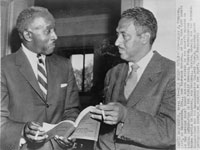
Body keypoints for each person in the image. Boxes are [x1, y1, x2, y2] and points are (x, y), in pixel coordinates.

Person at [90, 7, 175, 150]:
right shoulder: (113, 73)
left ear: (144, 38)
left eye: (124, 35)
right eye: (117, 35)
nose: (117, 42)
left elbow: (171, 132)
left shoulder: (172, 73)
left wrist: (125, 115)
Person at [1, 6, 80, 150]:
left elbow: (71, 110)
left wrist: (68, 132)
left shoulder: (65, 65)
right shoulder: (4, 67)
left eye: (54, 30)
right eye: (48, 31)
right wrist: (23, 131)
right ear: (28, 35)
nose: (55, 36)